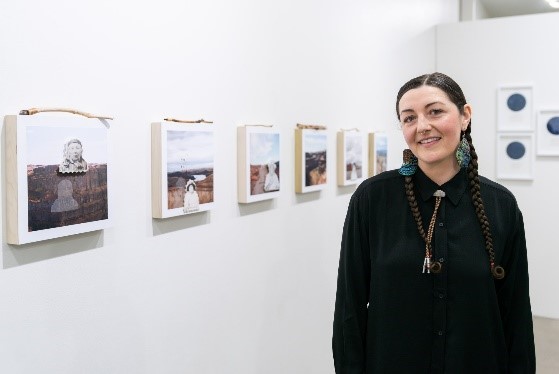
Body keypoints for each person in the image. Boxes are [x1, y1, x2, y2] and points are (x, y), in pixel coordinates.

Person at [332, 72, 535, 373]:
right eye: (409, 118)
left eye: (435, 111)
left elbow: (515, 316)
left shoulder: (500, 205)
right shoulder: (372, 199)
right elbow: (350, 308)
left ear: (465, 115)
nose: (422, 126)